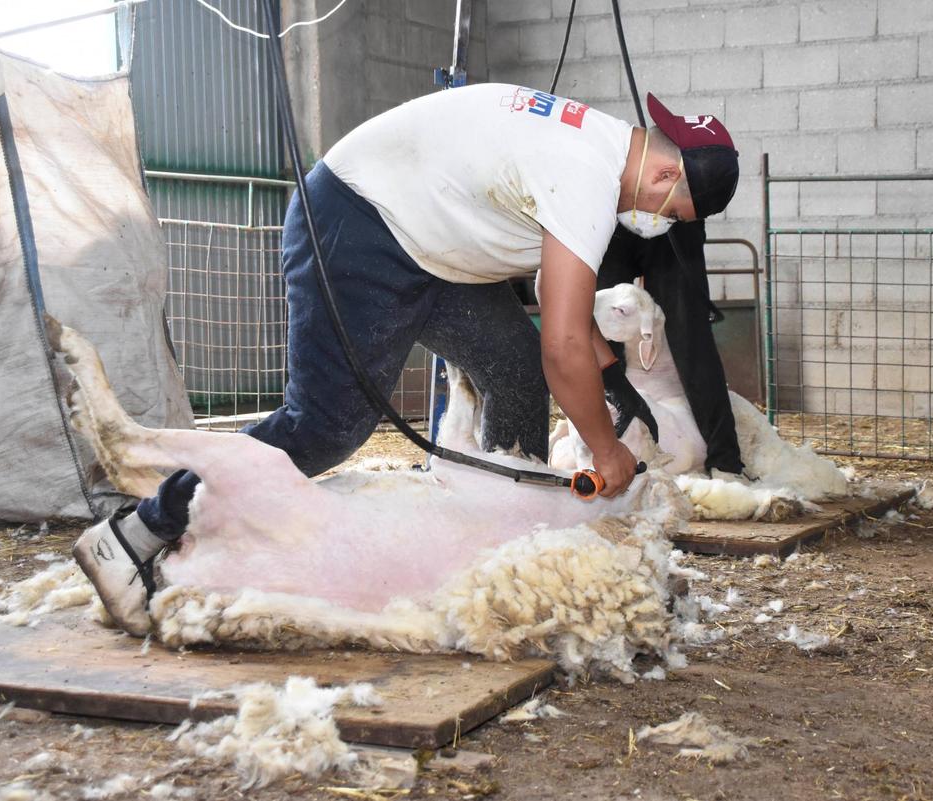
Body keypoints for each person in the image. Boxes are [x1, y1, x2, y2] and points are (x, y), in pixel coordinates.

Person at [72, 84, 740, 636]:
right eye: (671, 212)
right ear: (661, 174)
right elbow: (563, 345)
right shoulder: (588, 176)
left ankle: (497, 555)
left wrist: (609, 375)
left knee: (512, 364)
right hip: (356, 222)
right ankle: (135, 535)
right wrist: (605, 448)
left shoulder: (595, 144)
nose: (658, 222)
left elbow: (555, 298)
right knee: (326, 426)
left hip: (428, 246)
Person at [597, 221, 745, 475]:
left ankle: (725, 462)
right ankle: (603, 455)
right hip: (608, 217)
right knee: (595, 326)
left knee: (690, 335)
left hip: (669, 220)